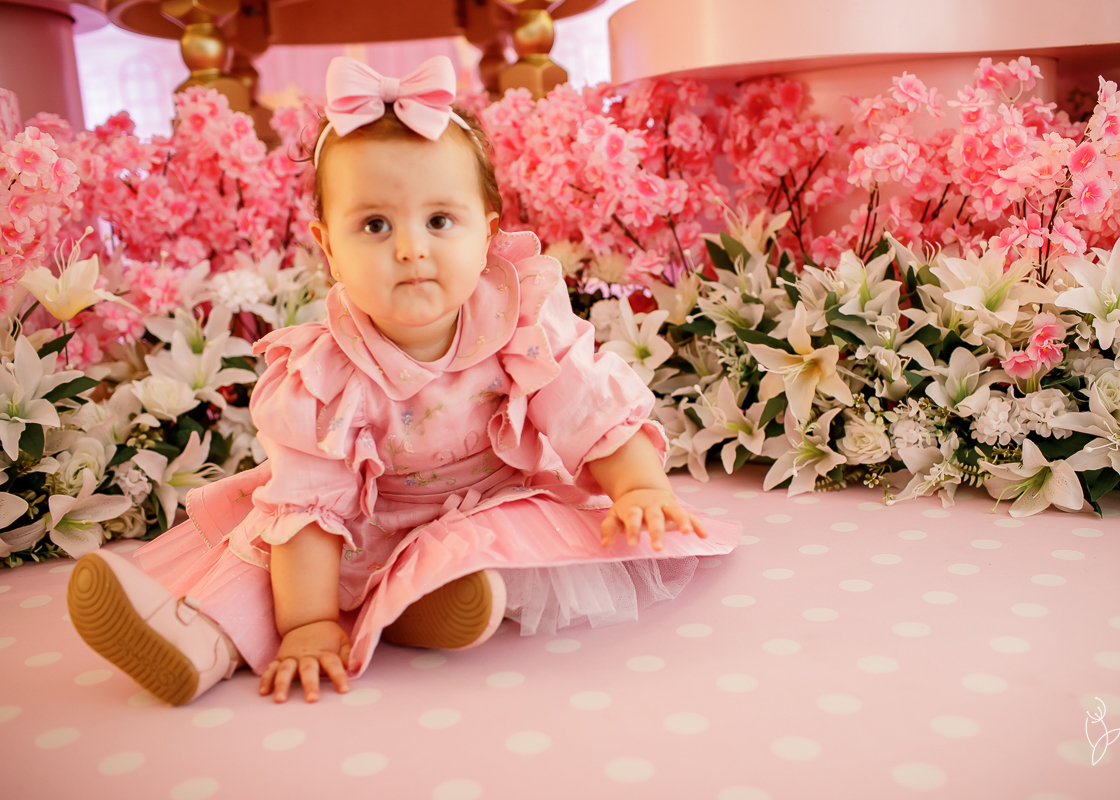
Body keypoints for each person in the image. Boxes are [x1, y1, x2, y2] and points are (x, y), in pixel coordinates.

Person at [66, 55, 740, 706]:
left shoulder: (518, 321)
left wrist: (639, 487)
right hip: (362, 528)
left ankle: (423, 604)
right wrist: (308, 623)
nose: (411, 248)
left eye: (440, 220)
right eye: (375, 225)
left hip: (490, 504)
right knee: (262, 561)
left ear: (487, 234)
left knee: (508, 538)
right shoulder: (328, 375)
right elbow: (314, 509)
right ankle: (195, 643)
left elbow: (586, 406)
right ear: (328, 248)